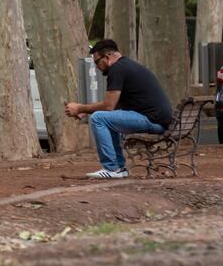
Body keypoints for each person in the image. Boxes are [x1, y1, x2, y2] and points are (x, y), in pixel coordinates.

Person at [64, 39, 173, 179]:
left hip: (152, 120)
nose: (97, 67)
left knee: (99, 118)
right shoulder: (127, 65)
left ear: (107, 57)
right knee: (106, 118)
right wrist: (85, 111)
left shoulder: (117, 69)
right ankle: (119, 168)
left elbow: (109, 106)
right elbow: (115, 105)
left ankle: (112, 168)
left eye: (97, 62)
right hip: (158, 120)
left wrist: (79, 107)